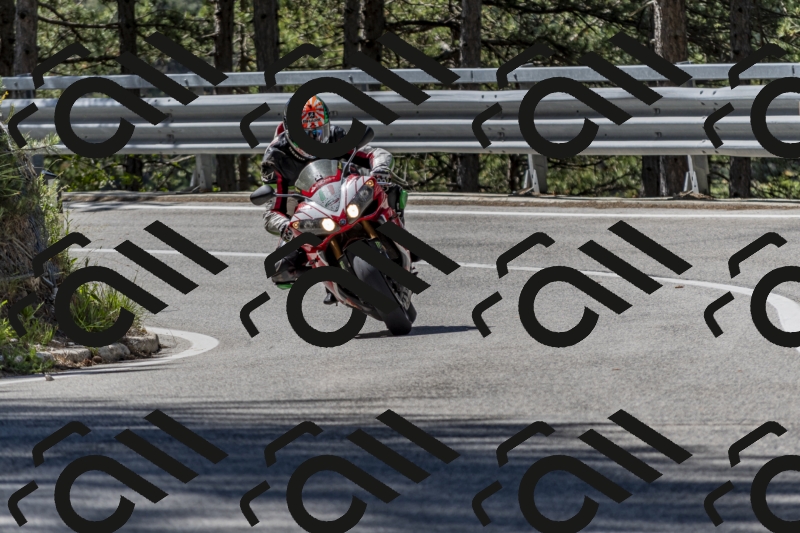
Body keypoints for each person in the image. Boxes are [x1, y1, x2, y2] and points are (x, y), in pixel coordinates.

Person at [260, 95, 394, 303]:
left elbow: (374, 153)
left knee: (391, 188)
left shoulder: (336, 136)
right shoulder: (274, 157)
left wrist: (381, 167)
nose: (312, 140)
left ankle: (395, 233)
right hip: (307, 209)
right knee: (281, 270)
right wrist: (286, 226)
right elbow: (271, 211)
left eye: (318, 133)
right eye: (304, 135)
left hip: (348, 193)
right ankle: (327, 277)